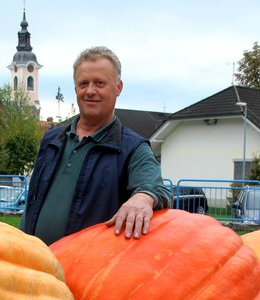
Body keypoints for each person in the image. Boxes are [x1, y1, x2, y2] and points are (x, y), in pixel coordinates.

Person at [19, 46, 172, 245]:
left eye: (99, 83)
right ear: (75, 89)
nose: (90, 91)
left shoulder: (132, 148)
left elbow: (155, 189)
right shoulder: (52, 140)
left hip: (88, 271)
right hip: (36, 263)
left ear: (118, 88)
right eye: (84, 83)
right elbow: (33, 202)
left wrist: (143, 198)